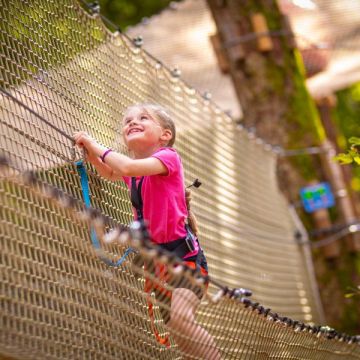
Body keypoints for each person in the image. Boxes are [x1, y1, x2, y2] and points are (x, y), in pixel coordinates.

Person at [74, 103, 221, 359]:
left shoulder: (168, 157)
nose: (132, 122)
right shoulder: (136, 173)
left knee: (182, 319)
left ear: (165, 135)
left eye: (143, 118)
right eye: (128, 121)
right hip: (158, 266)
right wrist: (91, 155)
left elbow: (126, 168)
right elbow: (111, 172)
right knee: (177, 328)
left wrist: (93, 143)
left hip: (184, 260)